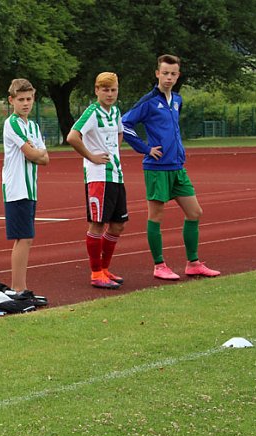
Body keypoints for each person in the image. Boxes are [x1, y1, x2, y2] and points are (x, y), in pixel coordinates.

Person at [122, 54, 220, 280]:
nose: (168, 77)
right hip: (156, 168)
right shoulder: (148, 101)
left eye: (173, 74)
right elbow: (124, 124)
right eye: (164, 73)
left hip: (177, 167)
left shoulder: (177, 100)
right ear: (157, 73)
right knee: (156, 216)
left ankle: (193, 263)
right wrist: (145, 149)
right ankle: (159, 265)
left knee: (195, 212)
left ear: (178, 75)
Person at [66, 72, 128, 290]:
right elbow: (73, 136)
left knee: (118, 225)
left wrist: (114, 152)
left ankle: (105, 268)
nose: (110, 94)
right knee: (98, 223)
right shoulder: (92, 112)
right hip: (99, 177)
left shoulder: (116, 112)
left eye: (113, 90)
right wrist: (91, 156)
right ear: (97, 90)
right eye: (105, 90)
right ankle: (95, 273)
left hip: (116, 175)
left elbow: (120, 133)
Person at [1, 78, 50, 300]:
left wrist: (37, 153)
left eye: (29, 99)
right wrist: (36, 153)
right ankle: (18, 288)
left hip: (31, 188)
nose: (25, 103)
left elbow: (45, 158)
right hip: (17, 187)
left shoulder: (33, 126)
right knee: (23, 237)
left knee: (27, 238)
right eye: (21, 99)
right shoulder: (12, 123)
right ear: (12, 100)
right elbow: (32, 154)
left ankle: (20, 287)